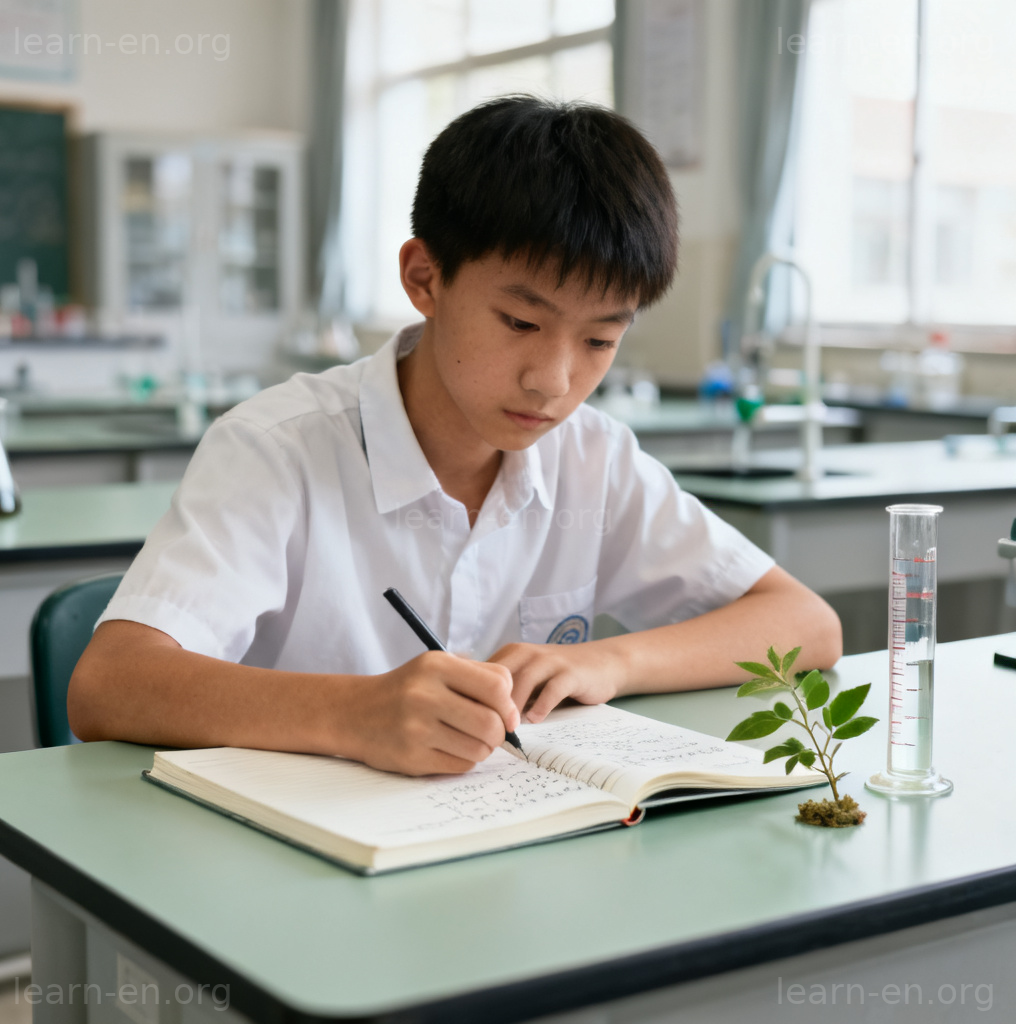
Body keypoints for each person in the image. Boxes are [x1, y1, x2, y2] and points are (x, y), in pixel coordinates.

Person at [69, 96, 841, 776]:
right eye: (521, 323)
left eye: (600, 341)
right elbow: (109, 687)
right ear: (425, 279)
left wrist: (608, 660)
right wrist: (354, 714)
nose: (553, 379)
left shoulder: (592, 458)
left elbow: (806, 624)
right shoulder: (279, 449)